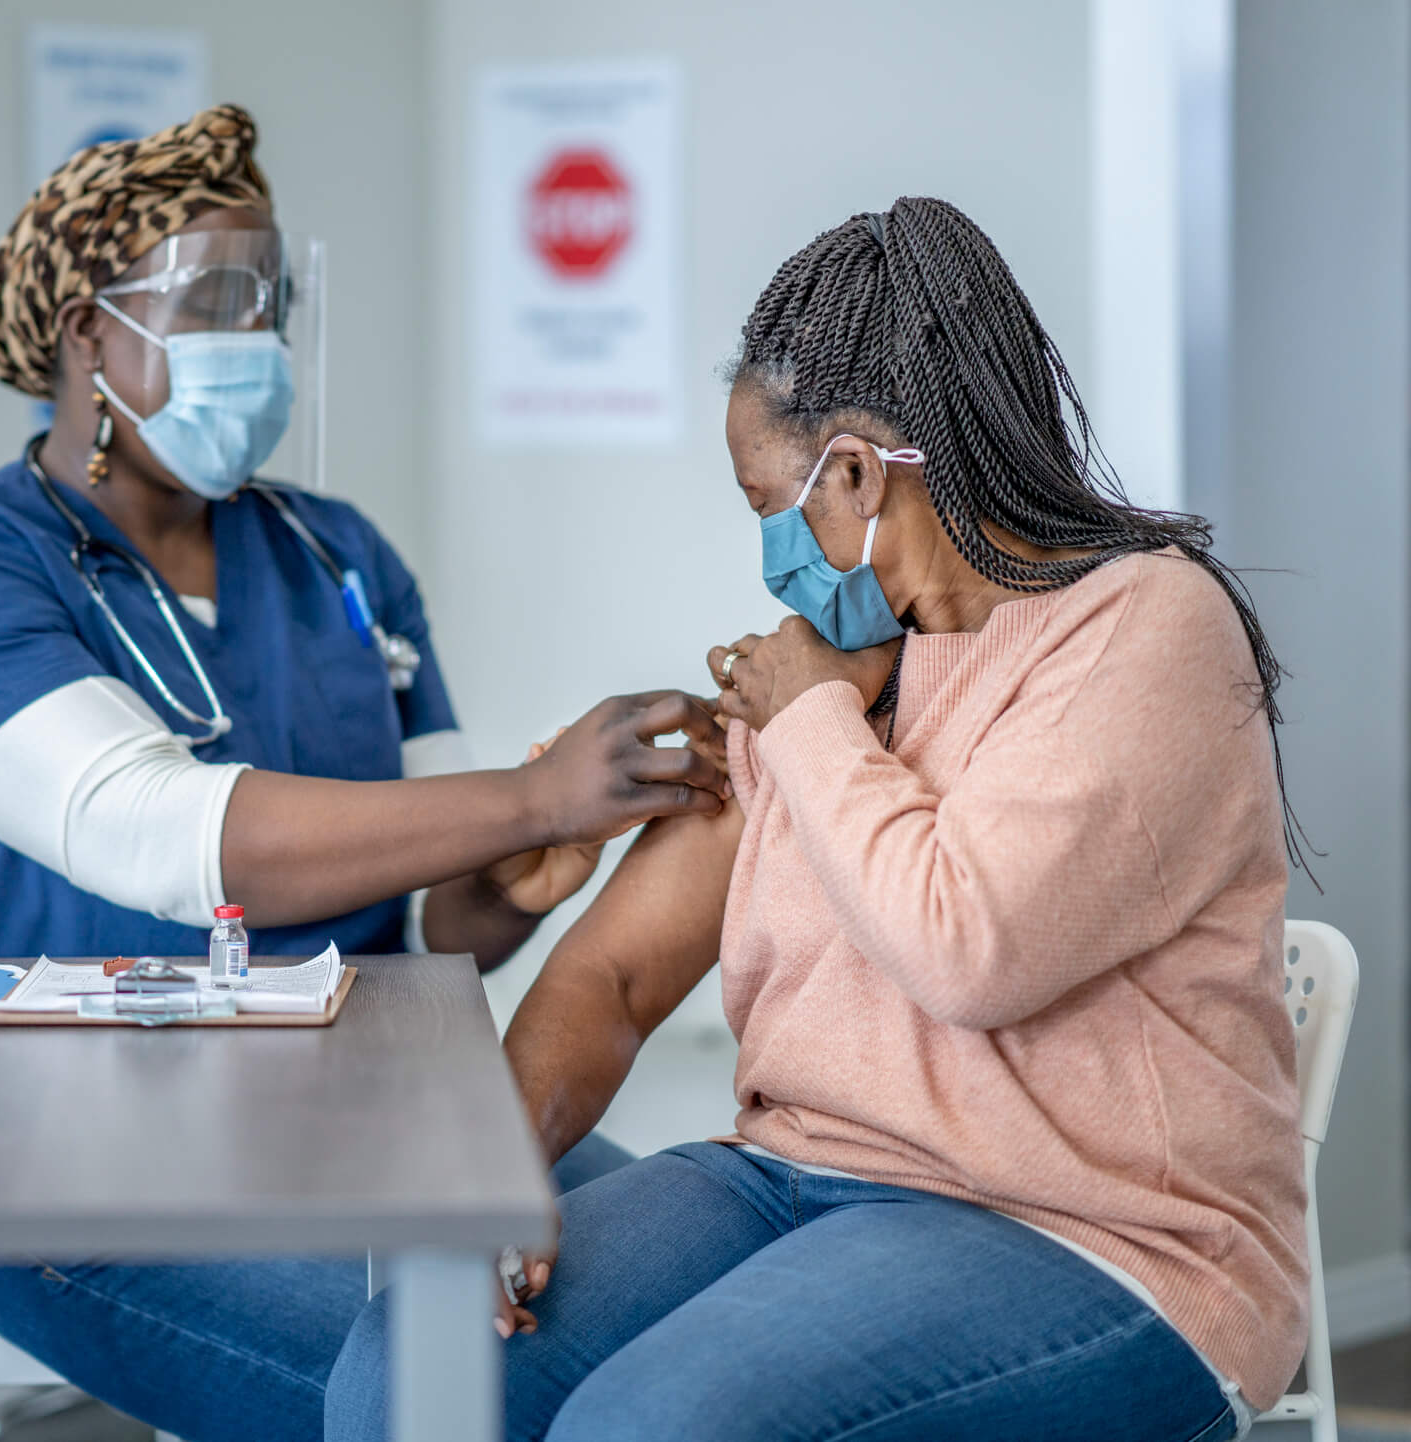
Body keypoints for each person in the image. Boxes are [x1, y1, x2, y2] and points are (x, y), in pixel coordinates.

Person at [324, 197, 1308, 1442]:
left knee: (648, 1426)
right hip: (789, 1178)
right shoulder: (835, 676)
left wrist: (806, 722)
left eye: (768, 508)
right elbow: (615, 975)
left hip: (1097, 1238)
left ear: (852, 471)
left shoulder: (1142, 628)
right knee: (407, 1368)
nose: (772, 560)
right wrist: (489, 1184)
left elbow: (971, 945)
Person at [0, 105, 721, 1438]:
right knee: (456, 1393)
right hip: (71, 1162)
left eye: (271, 301)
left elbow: (447, 923)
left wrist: (518, 876)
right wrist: (532, 795)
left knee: (704, 1342)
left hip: (365, 1112)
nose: (253, 343)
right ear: (88, 334)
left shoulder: (336, 558)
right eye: (212, 300)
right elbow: (153, 832)